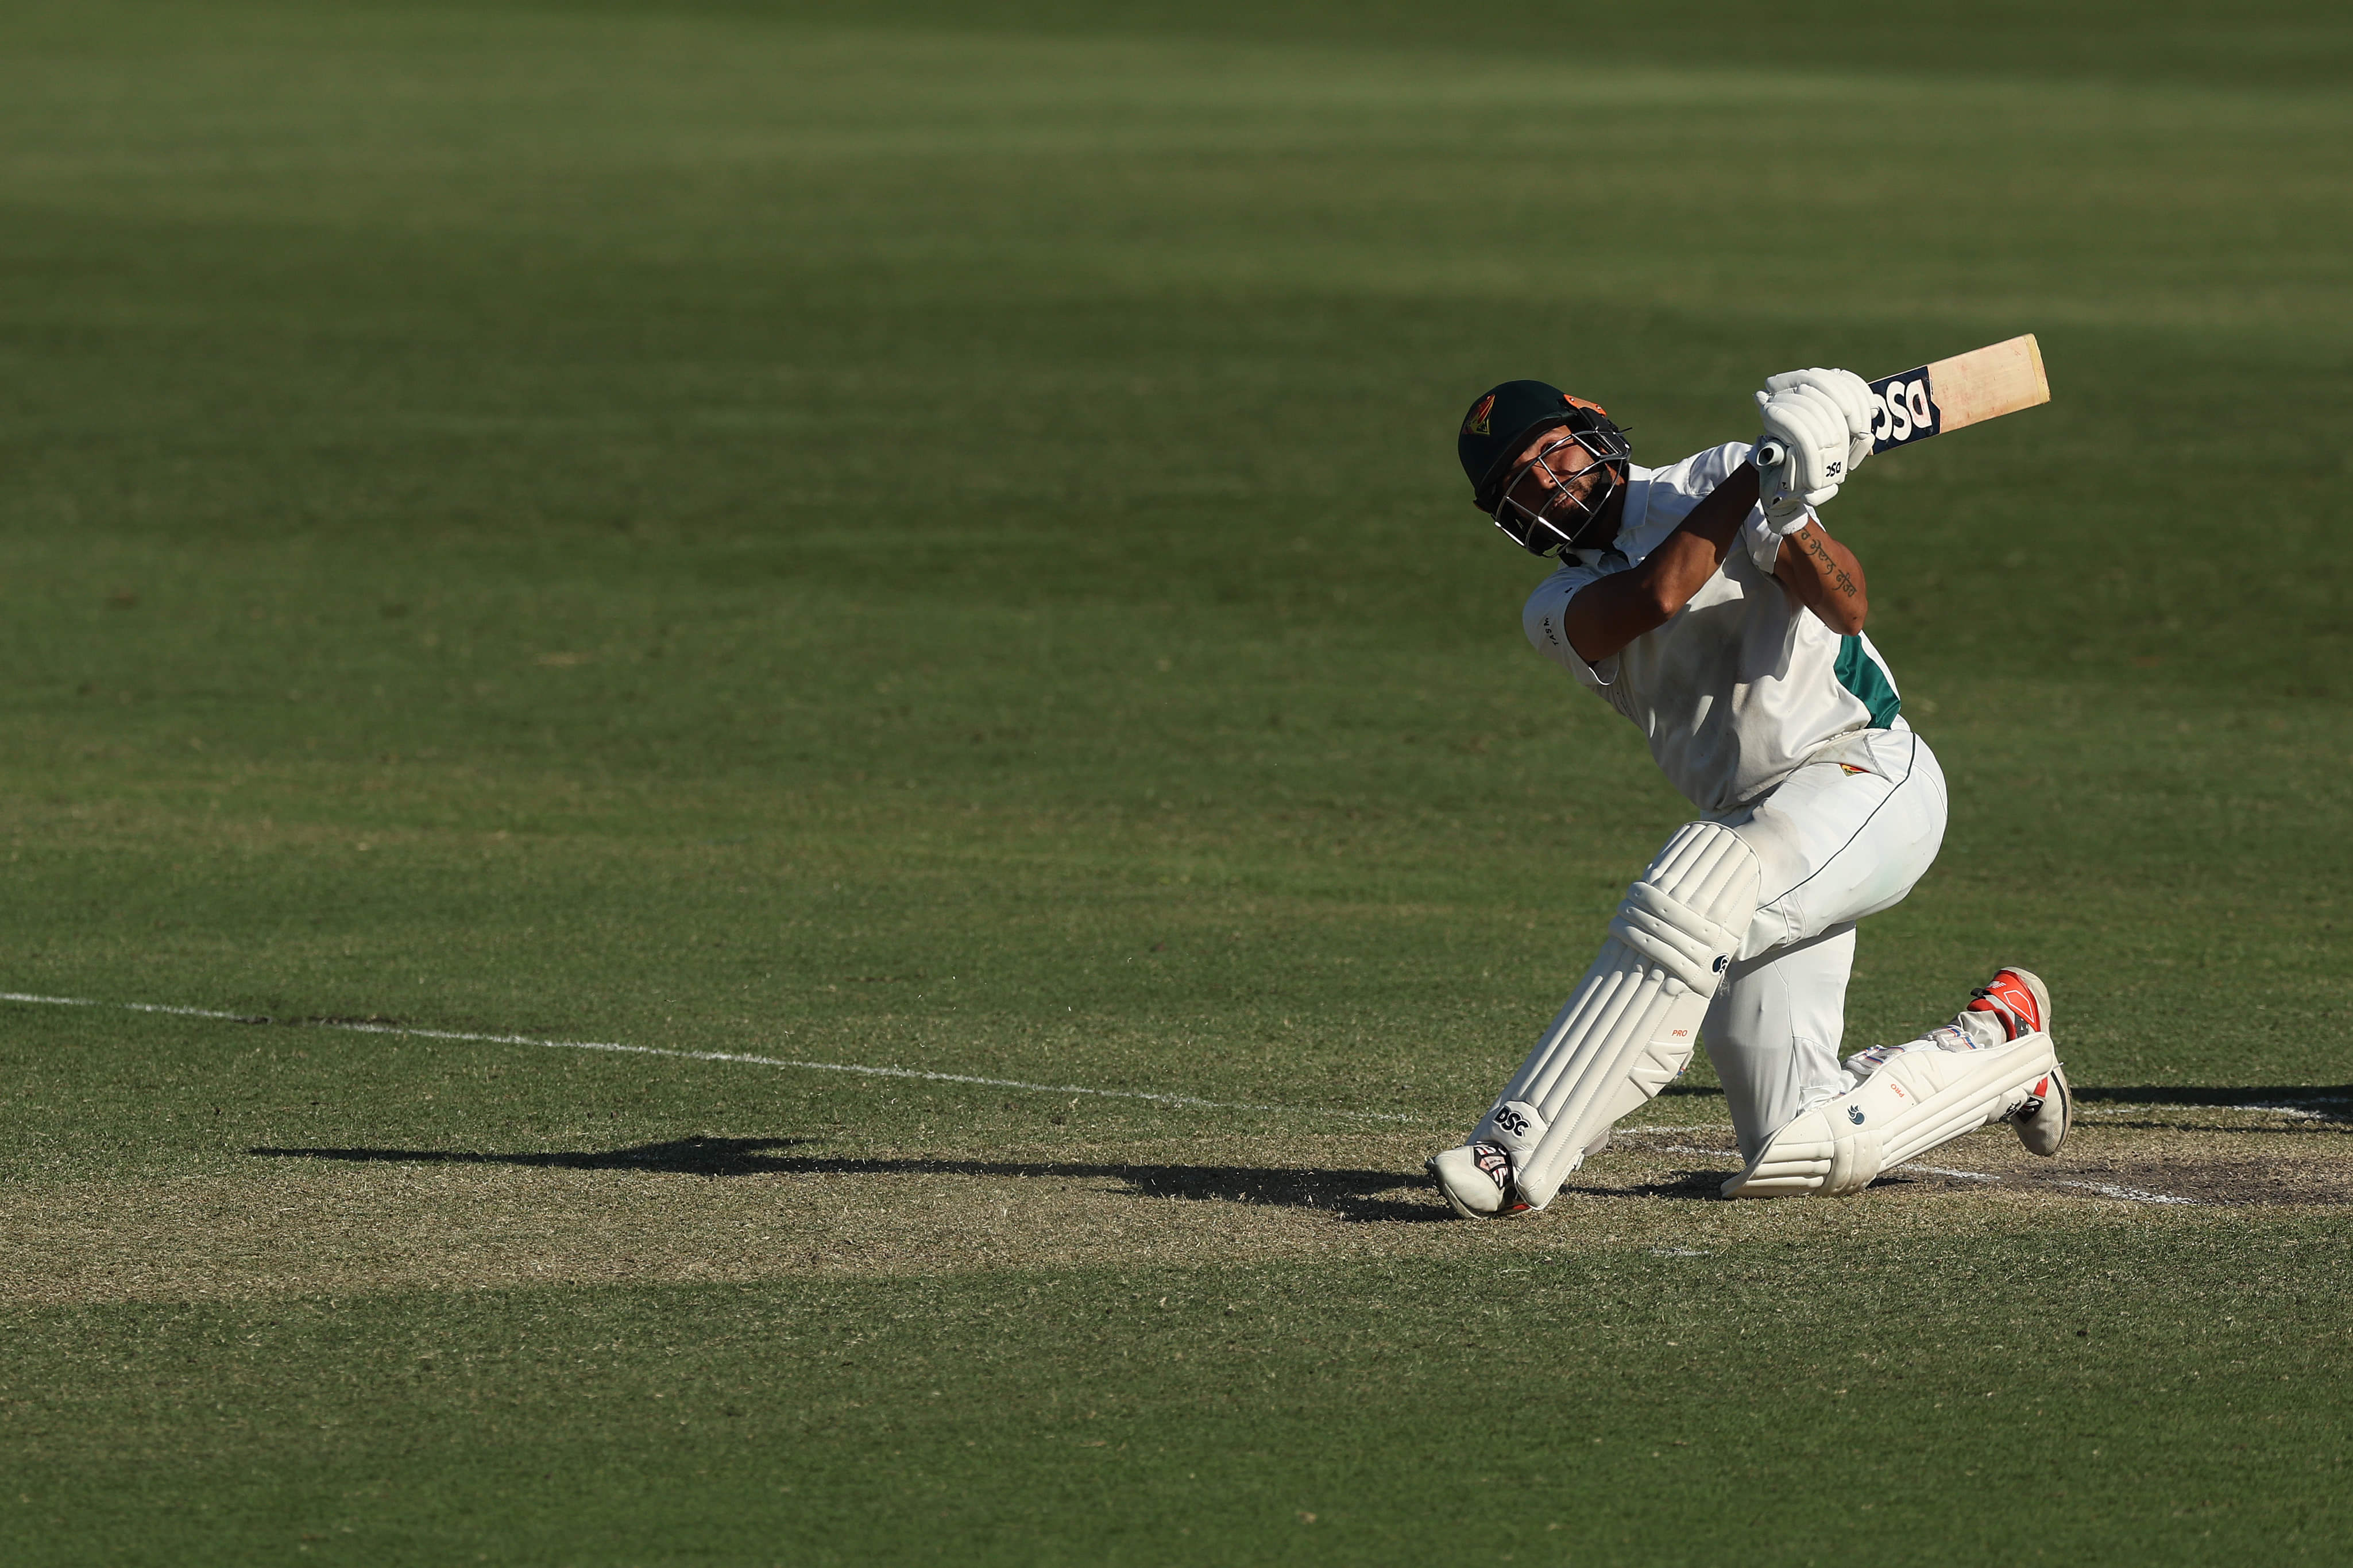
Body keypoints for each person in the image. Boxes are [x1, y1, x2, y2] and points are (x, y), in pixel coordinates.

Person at [1425, 372, 2070, 1217]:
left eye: (1550, 451)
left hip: (1864, 775)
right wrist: (1762, 471)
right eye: (1521, 481)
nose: (1547, 479)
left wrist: (1792, 507)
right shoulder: (1553, 606)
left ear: (1592, 427)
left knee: (1695, 888)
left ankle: (1516, 1149)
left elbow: (1846, 607)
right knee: (1791, 1148)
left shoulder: (1715, 473)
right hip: (1759, 830)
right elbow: (1656, 594)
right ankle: (2002, 1047)